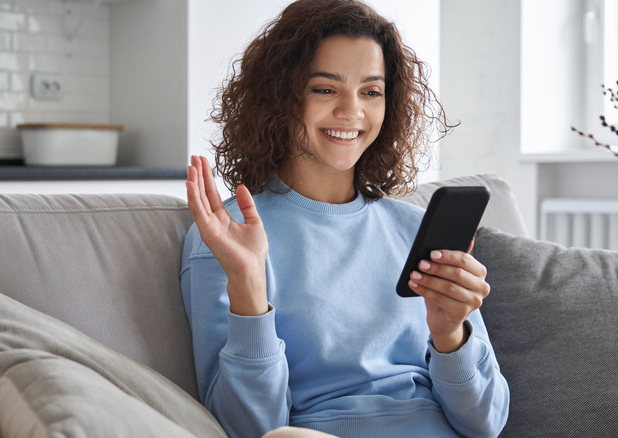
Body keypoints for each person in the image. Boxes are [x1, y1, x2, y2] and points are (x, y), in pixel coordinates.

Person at [180, 1, 510, 437]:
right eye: (324, 89)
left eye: (371, 91)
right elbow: (250, 428)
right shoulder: (225, 237)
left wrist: (450, 335)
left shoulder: (414, 229)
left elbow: (486, 424)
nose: (352, 110)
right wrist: (248, 290)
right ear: (280, 97)